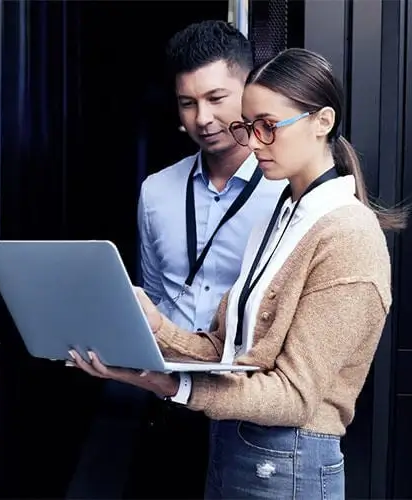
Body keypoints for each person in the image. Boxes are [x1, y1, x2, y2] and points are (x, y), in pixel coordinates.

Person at [71, 47, 407, 499]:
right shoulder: (286, 214)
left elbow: (294, 396)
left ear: (322, 121)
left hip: (290, 459)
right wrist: (155, 328)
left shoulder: (348, 232)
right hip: (236, 444)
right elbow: (229, 351)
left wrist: (173, 384)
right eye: (249, 127)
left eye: (269, 127)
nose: (253, 143)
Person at [132, 20, 286, 499]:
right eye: (188, 102)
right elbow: (154, 294)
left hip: (250, 404)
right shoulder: (156, 190)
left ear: (249, 91)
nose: (203, 118)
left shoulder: (287, 191)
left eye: (217, 98)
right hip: (168, 399)